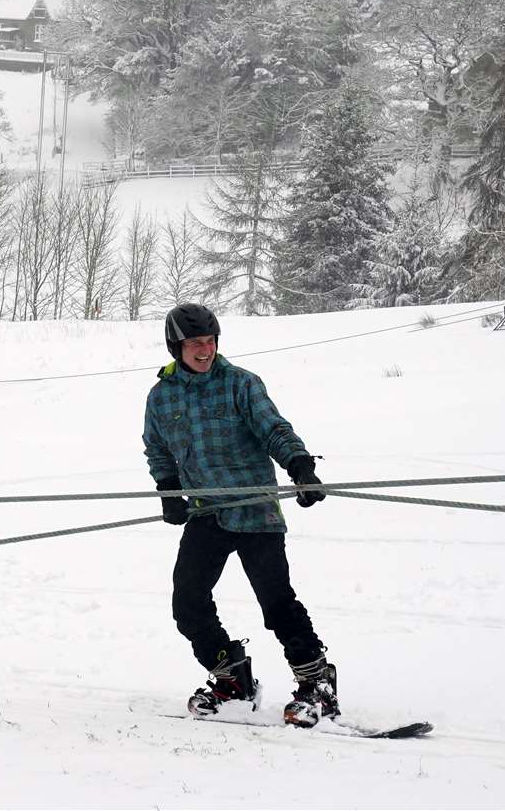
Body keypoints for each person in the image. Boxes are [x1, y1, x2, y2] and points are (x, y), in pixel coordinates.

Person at [142, 302, 338, 726]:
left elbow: (273, 428)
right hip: (205, 512)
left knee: (276, 602)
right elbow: (157, 446)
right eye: (195, 343)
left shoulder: (240, 384)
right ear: (176, 346)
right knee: (188, 602)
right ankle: (232, 679)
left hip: (254, 510)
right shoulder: (162, 396)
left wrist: (300, 466)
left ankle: (317, 683)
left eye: (210, 341)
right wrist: (168, 489)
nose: (205, 350)